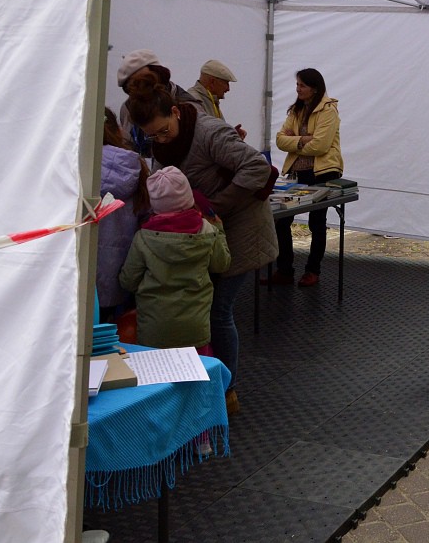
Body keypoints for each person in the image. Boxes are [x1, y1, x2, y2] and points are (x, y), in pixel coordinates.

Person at [126, 72, 277, 414]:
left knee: (217, 311)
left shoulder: (211, 132)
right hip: (207, 229)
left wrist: (215, 207)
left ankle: (227, 392)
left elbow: (257, 167)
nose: (160, 140)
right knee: (203, 310)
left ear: (176, 112)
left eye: (164, 130)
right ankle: (196, 389)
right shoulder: (161, 144)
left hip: (240, 228)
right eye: (152, 136)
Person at [117, 167, 231, 351]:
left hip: (154, 328)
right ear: (188, 198)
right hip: (196, 328)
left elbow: (128, 281)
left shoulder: (144, 237)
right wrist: (220, 230)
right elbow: (222, 264)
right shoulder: (208, 231)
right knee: (196, 374)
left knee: (157, 376)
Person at [273, 68, 343, 287]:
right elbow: (279, 140)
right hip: (297, 174)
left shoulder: (328, 111)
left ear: (314, 88)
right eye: (297, 85)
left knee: (317, 222)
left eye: (302, 85)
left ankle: (313, 270)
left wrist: (295, 142)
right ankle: (285, 270)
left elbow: (321, 146)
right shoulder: (296, 110)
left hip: (322, 173)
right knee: (282, 220)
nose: (298, 88)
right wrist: (305, 139)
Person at [97, 108, 149, 322]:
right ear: (117, 129)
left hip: (79, 273)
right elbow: (147, 215)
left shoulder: (74, 164)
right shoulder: (135, 166)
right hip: (123, 269)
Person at [117, 49, 196, 156]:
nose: (141, 86)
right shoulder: (127, 109)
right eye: (135, 84)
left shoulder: (188, 107)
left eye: (145, 80)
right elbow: (127, 144)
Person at [188, 59, 247, 141]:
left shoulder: (210, 100)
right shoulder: (194, 101)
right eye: (226, 83)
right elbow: (201, 138)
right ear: (212, 82)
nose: (228, 89)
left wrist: (231, 135)